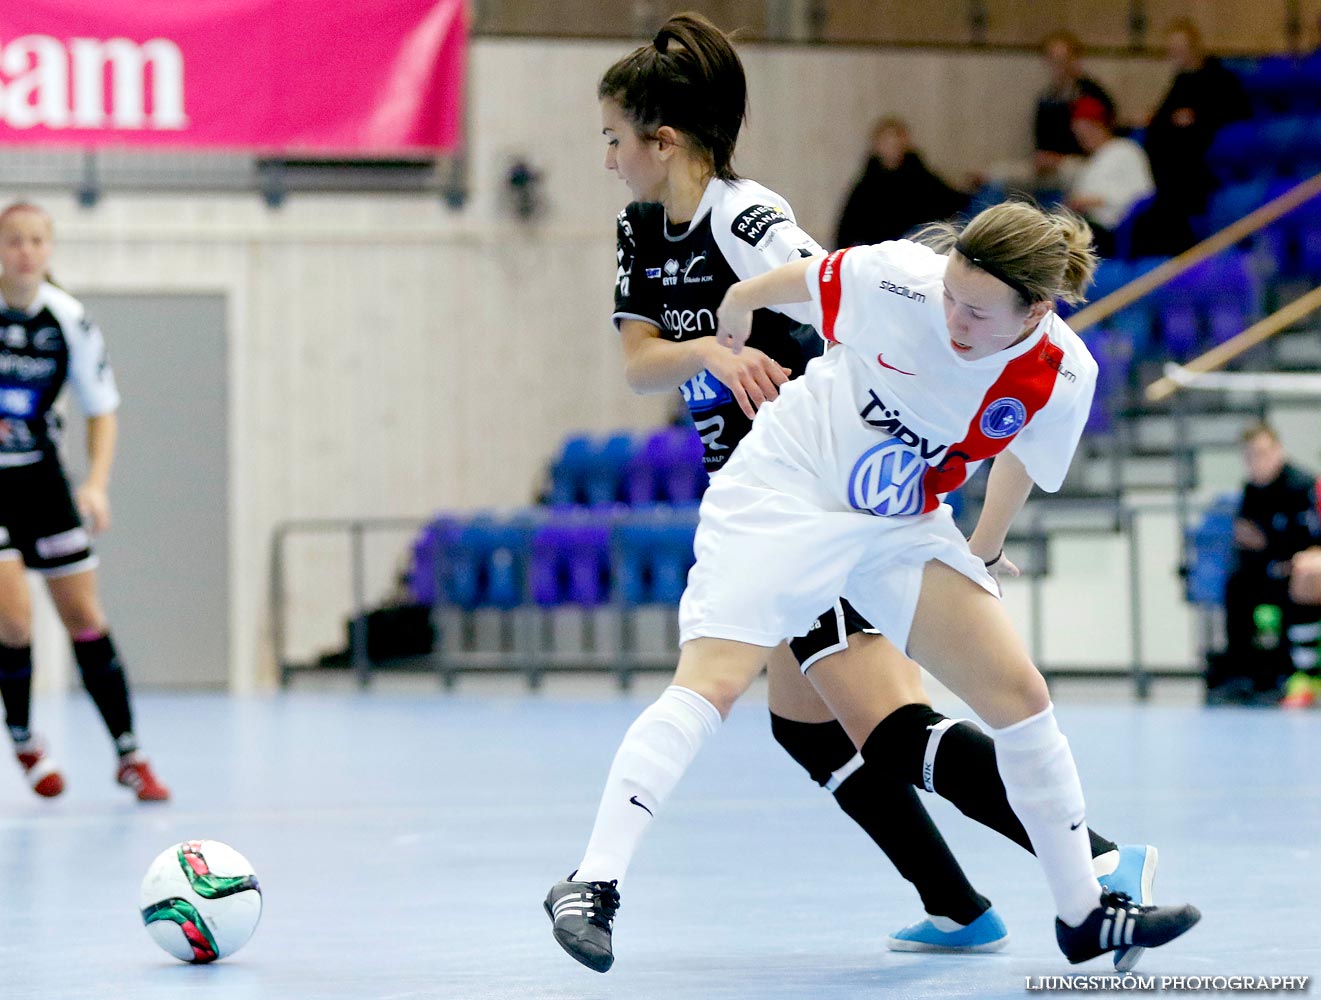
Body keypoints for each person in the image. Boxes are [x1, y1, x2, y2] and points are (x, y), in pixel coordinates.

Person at [546, 14, 1192, 975]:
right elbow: (768, 297)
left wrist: (981, 542)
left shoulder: (1060, 372)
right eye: (952, 297)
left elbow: (1016, 459)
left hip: (889, 515)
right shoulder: (897, 278)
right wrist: (726, 341)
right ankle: (592, 884)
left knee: (1003, 693)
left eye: (979, 313)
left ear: (1037, 313)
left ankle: (1084, 904)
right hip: (780, 489)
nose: (955, 320)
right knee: (738, 691)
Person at [0, 202, 169, 802]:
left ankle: (130, 753)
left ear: (50, 250)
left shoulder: (68, 319)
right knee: (14, 617)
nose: (25, 251)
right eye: (14, 240)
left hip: (42, 482)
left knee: (85, 618)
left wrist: (94, 484)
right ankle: (22, 737)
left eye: (36, 241)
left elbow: (102, 409)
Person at [1216, 422, 1321, 707]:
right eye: (1249, 456)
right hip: (1266, 569)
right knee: (1235, 587)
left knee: (1304, 578)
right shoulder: (1251, 490)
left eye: (1262, 453)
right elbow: (1246, 538)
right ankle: (1243, 676)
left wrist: (1273, 545)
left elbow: (1307, 541)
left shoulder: (1302, 484)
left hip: (1296, 569)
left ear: (1278, 451)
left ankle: (1302, 674)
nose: (1256, 462)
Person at [1139, 19, 1251, 255]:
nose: (1176, 54)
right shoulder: (1180, 80)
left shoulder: (1220, 77)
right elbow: (1163, 118)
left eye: (1181, 48)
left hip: (1198, 160)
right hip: (1171, 165)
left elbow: (1236, 111)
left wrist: (1196, 117)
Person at [835, 117, 968, 249]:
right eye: (887, 143)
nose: (893, 148)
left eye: (897, 142)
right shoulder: (866, 187)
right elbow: (846, 230)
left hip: (919, 243)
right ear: (877, 146)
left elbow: (951, 201)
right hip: (884, 250)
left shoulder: (921, 176)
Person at [1065, 96, 1155, 258]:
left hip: (1112, 232)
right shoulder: (1091, 162)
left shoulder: (1126, 150)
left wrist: (1096, 200)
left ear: (1100, 126)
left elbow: (1143, 192)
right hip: (1086, 225)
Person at [1032, 32, 1116, 190]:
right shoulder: (1046, 98)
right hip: (1048, 164)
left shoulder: (1091, 95)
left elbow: (1100, 140)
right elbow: (1040, 138)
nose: (1058, 66)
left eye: (1063, 60)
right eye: (1053, 60)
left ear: (1075, 60)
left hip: (1083, 162)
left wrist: (1060, 159)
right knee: (998, 177)